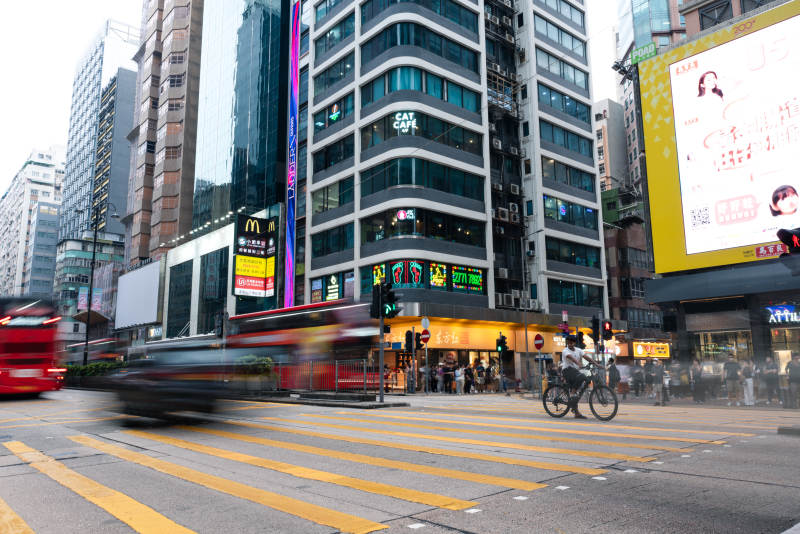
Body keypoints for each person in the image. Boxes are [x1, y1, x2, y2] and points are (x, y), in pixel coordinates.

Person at [560, 335, 604, 419]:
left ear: (574, 343)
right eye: (568, 342)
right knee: (582, 377)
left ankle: (576, 413)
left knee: (585, 381)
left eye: (571, 342)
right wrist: (578, 363)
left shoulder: (578, 350)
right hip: (567, 370)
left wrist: (596, 364)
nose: (570, 344)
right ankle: (572, 393)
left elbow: (587, 357)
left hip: (575, 371)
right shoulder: (565, 351)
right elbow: (571, 358)